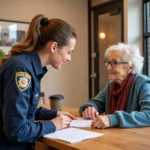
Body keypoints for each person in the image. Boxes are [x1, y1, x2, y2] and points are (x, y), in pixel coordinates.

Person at [0, 14, 77, 150]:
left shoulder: (29, 66)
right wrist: (53, 125)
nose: (69, 58)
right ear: (54, 47)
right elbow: (16, 130)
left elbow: (25, 111)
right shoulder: (21, 70)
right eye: (69, 52)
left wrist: (55, 114)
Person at [79, 43, 150, 129]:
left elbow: (148, 115)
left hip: (135, 139)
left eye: (114, 63)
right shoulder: (112, 85)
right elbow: (95, 102)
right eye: (108, 63)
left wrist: (113, 119)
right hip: (115, 137)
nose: (108, 68)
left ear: (130, 67)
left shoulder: (142, 84)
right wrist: (89, 108)